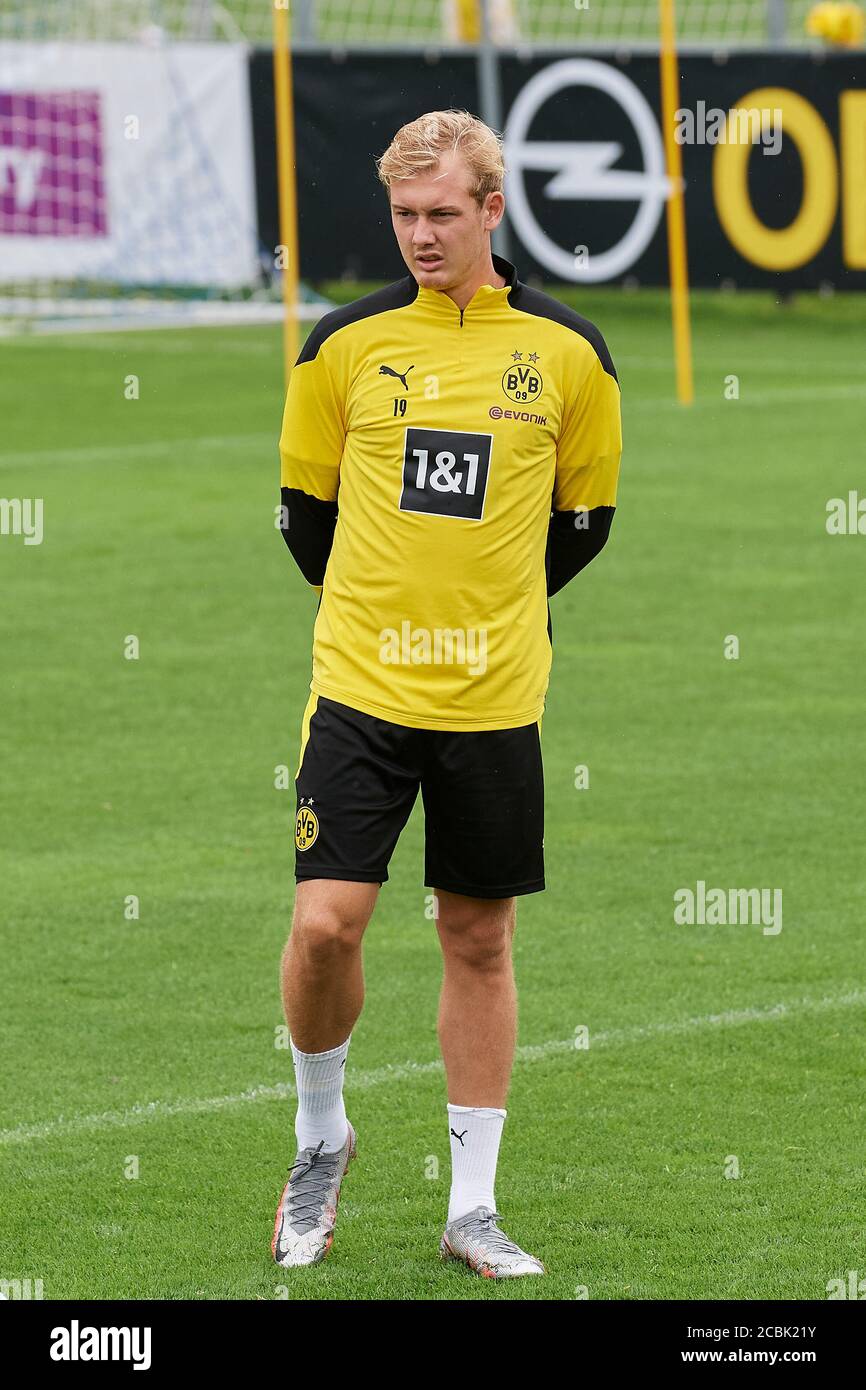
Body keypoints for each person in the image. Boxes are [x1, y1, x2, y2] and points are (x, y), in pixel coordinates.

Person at [272, 109, 622, 1278]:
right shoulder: (342, 346)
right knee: (326, 923)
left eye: (440, 214)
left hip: (494, 700)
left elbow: (582, 524)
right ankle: (322, 1131)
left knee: (478, 936)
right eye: (403, 215)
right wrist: (388, 612)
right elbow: (305, 524)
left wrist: (487, 613)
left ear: (490, 209)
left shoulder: (569, 354)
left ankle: (469, 1206)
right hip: (362, 689)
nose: (420, 235)